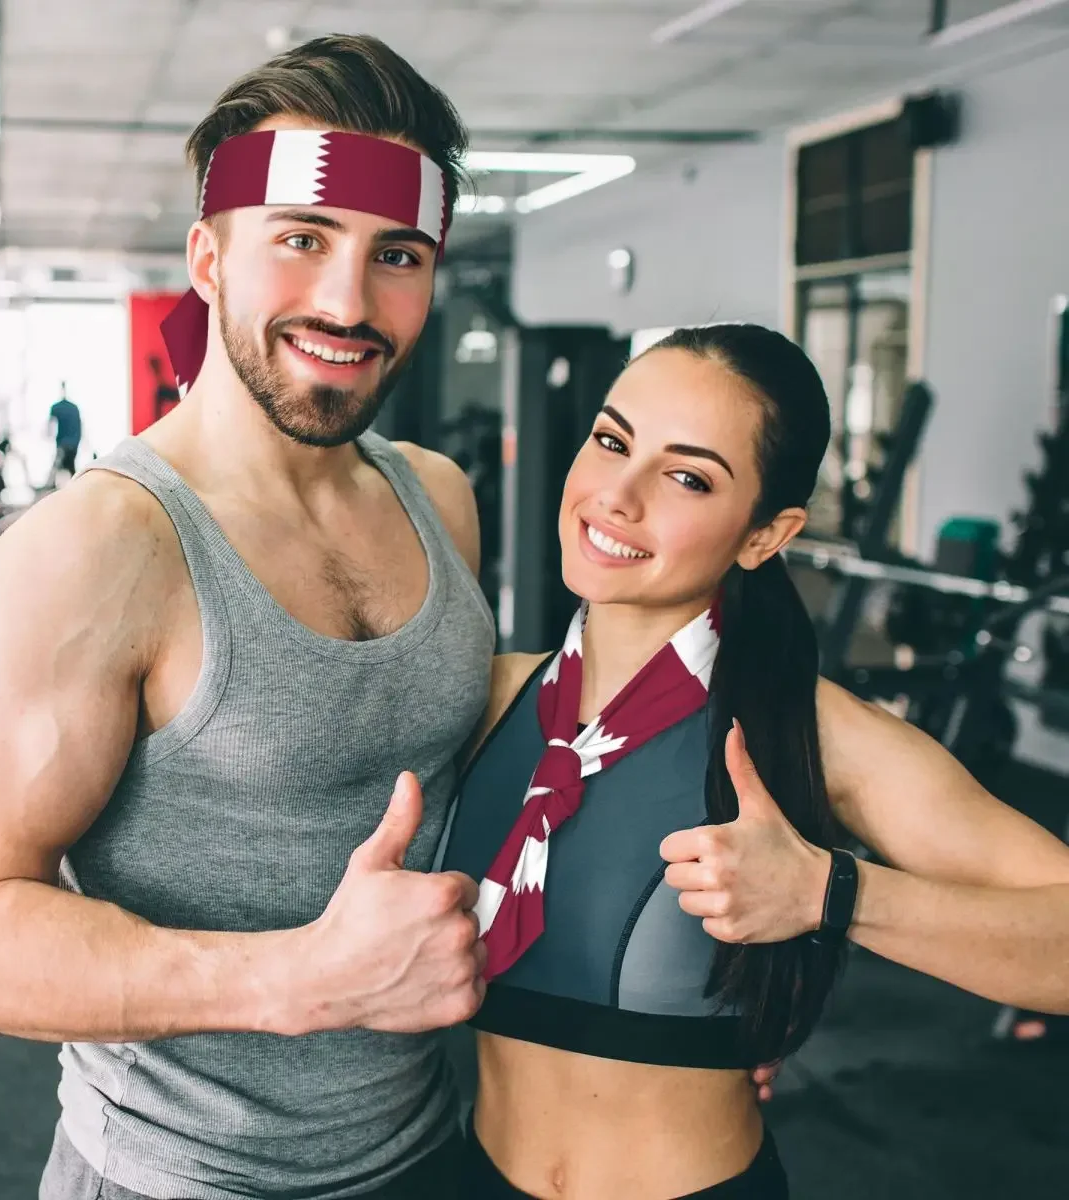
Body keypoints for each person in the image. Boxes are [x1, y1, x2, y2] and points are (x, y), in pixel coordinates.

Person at [0, 36, 496, 1200]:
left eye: (398, 254)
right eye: (301, 239)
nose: (348, 300)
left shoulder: (439, 498)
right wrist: (303, 981)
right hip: (181, 1179)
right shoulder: (96, 550)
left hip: (431, 1150)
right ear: (208, 258)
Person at [439, 323, 1069, 1199]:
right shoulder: (489, 701)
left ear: (765, 535)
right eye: (613, 441)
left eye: (688, 476)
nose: (617, 496)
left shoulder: (808, 731)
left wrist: (830, 893)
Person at [48, 382, 83, 482]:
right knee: (71, 469)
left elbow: (50, 426)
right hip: (73, 443)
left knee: (57, 469)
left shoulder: (56, 407)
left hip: (63, 444)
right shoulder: (74, 408)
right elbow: (80, 426)